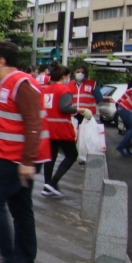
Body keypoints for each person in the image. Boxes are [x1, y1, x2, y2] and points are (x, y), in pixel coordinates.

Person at [0, 41, 51, 263]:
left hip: (18, 158)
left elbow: (34, 124)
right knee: (21, 209)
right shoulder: (4, 83)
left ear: (1, 61)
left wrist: (28, 162)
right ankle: (25, 262)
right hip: (14, 156)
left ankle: (12, 260)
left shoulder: (22, 83)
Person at [42, 65, 90, 196]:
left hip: (48, 127)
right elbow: (64, 108)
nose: (69, 78)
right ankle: (52, 183)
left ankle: (47, 185)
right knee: (72, 155)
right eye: (68, 76)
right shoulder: (64, 89)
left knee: (50, 157)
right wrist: (80, 110)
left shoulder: (46, 90)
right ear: (64, 76)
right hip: (62, 128)